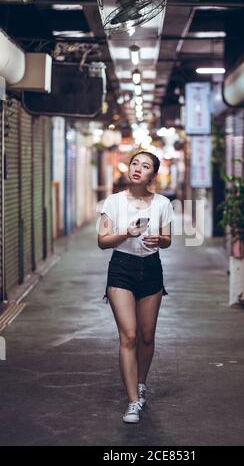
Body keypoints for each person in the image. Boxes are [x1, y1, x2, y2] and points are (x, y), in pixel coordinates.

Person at [98, 151, 173, 424]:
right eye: (134, 163)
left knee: (147, 335)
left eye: (145, 166)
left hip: (151, 269)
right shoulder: (113, 202)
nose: (137, 168)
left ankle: (140, 384)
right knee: (128, 335)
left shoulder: (163, 203)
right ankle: (132, 402)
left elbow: (168, 240)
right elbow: (102, 241)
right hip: (121, 269)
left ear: (152, 175)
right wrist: (125, 234)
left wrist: (159, 240)